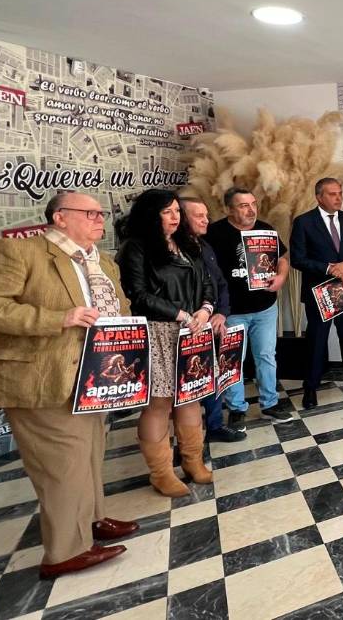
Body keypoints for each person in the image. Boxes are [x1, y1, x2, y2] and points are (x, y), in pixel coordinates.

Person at [0, 191, 138, 579]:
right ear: (60, 218)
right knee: (62, 466)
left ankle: (91, 521)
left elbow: (121, 308)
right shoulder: (19, 252)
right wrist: (58, 318)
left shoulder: (102, 261)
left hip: (95, 376)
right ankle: (64, 552)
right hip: (42, 376)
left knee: (89, 455)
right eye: (90, 213)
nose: (100, 219)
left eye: (101, 213)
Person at [116, 189, 216, 498]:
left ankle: (193, 462)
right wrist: (181, 314)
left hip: (191, 331)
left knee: (189, 397)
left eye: (177, 211)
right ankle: (161, 473)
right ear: (151, 215)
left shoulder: (188, 243)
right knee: (159, 403)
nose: (175, 217)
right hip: (157, 330)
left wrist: (205, 310)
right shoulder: (136, 247)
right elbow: (137, 294)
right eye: (167, 212)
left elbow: (207, 282)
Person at [204, 188, 294, 428]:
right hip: (232, 311)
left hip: (265, 307)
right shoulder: (214, 233)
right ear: (229, 209)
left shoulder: (265, 229)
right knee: (233, 360)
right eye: (244, 205)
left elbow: (282, 258)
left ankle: (270, 404)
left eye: (253, 204)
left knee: (266, 356)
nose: (251, 209)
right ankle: (236, 409)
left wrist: (281, 277)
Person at [291, 177, 343, 408]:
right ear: (319, 197)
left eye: (340, 193)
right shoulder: (304, 222)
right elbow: (298, 258)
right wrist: (328, 268)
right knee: (316, 340)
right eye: (332, 194)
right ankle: (310, 388)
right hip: (319, 292)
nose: (339, 198)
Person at [180, 197, 246, 443]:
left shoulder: (205, 246)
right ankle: (186, 442)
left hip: (212, 321)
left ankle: (215, 425)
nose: (206, 220)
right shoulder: (173, 249)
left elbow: (220, 283)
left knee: (214, 374)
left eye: (206, 215)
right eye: (199, 216)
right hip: (186, 325)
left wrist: (221, 312)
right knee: (188, 383)